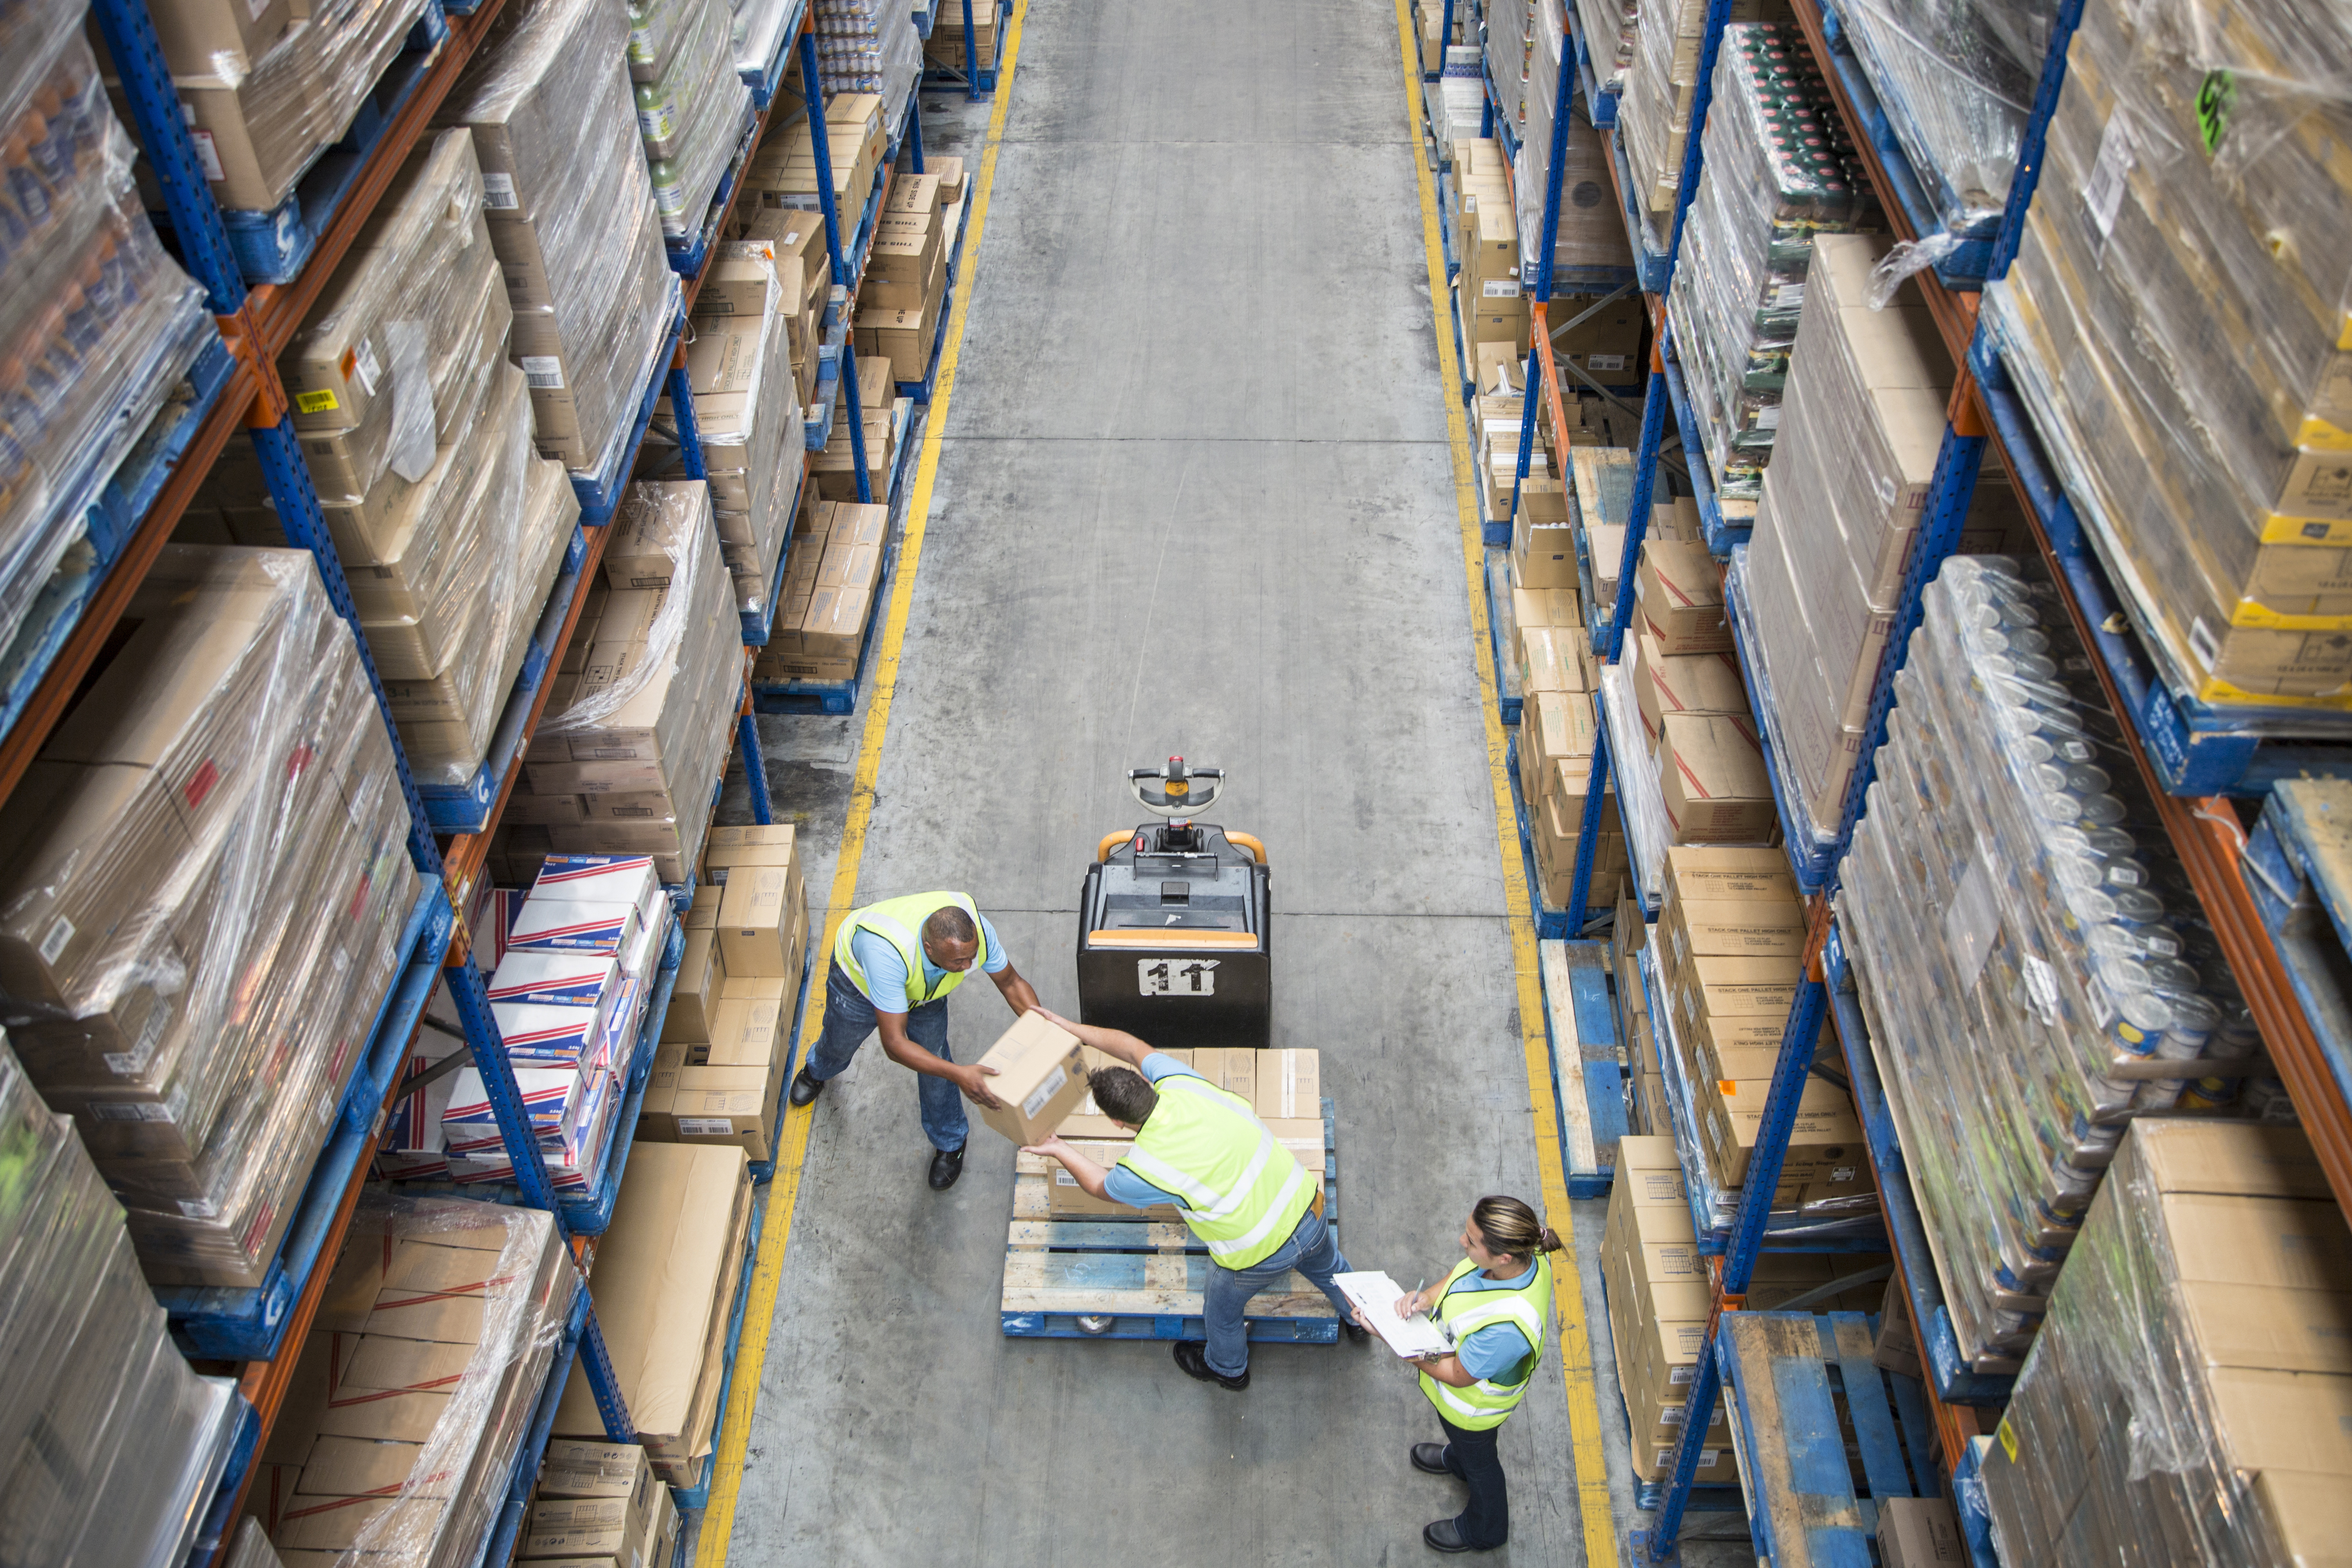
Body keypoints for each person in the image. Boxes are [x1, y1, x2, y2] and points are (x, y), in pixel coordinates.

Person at [1020, 1010, 1367, 1388]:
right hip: (1309, 1208)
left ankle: (1228, 1369)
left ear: (1117, 1123)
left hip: (1260, 1255)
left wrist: (1057, 1148)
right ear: (1145, 1081)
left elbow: (1099, 1187)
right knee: (1331, 1267)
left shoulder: (1144, 1168)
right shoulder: (1180, 1081)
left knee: (1221, 1310)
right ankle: (1359, 1319)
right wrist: (1072, 1029)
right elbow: (1132, 1047)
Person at [786, 892, 1041, 1190]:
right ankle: (818, 1070)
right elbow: (895, 1044)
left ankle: (950, 1142)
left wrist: (1046, 1033)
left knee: (934, 1060)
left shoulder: (976, 936)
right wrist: (960, 1074)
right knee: (839, 1041)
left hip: (925, 990)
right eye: (959, 961)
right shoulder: (887, 954)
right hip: (860, 986)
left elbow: (1011, 982)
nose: (970, 965)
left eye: (972, 957)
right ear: (930, 948)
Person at [1365, 1196, 1561, 1555]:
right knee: (1470, 1455)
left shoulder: (1507, 1330)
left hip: (1472, 1412)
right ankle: (1458, 1461)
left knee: (1482, 1466)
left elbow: (1456, 1374)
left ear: (1502, 1258)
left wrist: (1394, 1339)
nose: (1462, 1242)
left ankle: (1485, 1530)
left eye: (1471, 1242)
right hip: (1462, 1402)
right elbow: (1460, 1277)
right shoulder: (1523, 1255)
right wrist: (1425, 1298)